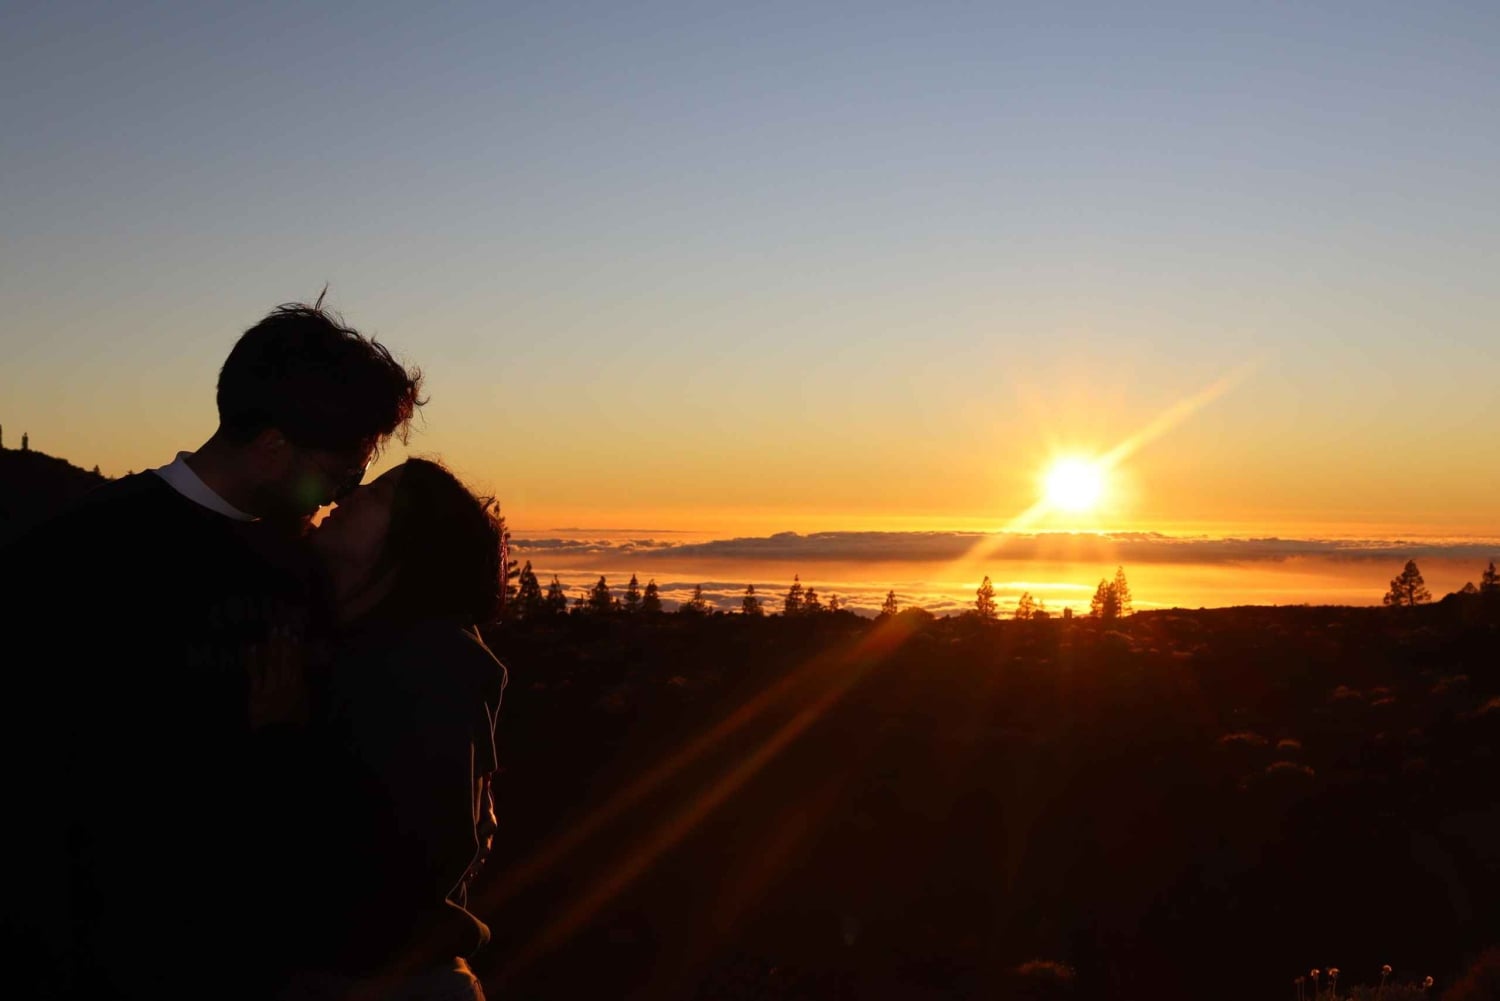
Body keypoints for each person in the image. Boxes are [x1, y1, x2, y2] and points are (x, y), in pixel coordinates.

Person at [0, 299, 424, 1000]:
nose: (341, 495)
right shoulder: (72, 561)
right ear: (273, 445)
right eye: (341, 473)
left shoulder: (299, 569)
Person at [275, 457, 509, 1001]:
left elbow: (411, 855)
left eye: (376, 495)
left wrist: (275, 735)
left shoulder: (425, 665)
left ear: (410, 543)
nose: (345, 498)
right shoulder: (354, 643)